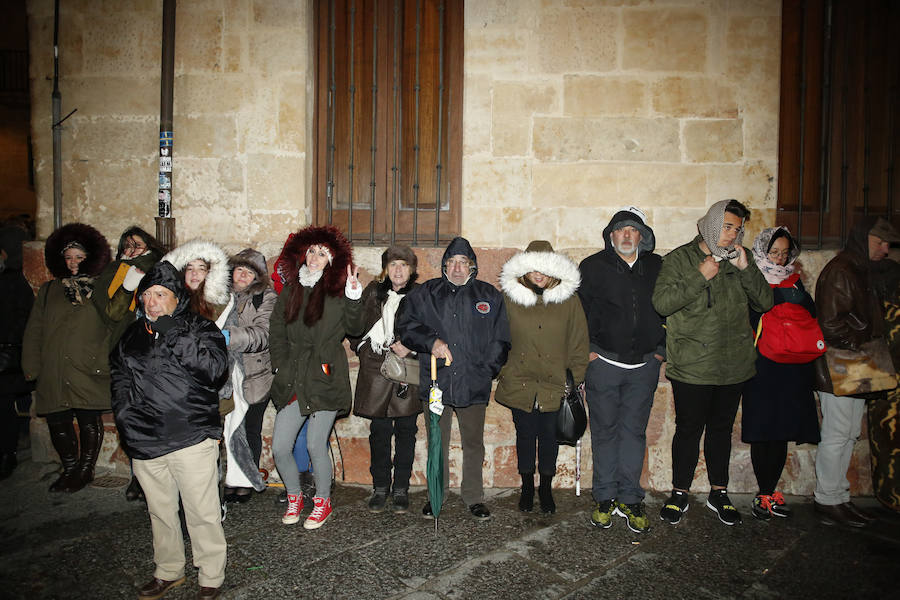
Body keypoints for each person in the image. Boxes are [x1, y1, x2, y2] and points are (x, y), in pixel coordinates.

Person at [110, 260, 228, 600]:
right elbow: (119, 377)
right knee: (160, 512)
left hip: (190, 436)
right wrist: (124, 418)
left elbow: (212, 371)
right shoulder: (131, 335)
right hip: (145, 440)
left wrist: (173, 330)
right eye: (146, 295)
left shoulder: (201, 329)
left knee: (201, 513)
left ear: (177, 297)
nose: (152, 303)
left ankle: (211, 576)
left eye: (160, 294)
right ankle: (168, 571)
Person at [652, 199, 773, 526]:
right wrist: (699, 276)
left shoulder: (739, 260)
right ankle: (680, 492)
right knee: (688, 430)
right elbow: (662, 303)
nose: (732, 234)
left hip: (733, 364)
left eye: (737, 228)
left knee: (721, 430)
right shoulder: (680, 259)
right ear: (711, 224)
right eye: (727, 226)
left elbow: (765, 301)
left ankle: (719, 492)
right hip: (693, 365)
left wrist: (748, 269)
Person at [397, 236, 511, 521]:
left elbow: (501, 338)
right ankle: (436, 494)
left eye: (464, 263)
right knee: (437, 440)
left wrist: (487, 369)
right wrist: (431, 341)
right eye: (452, 262)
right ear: (444, 265)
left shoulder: (489, 296)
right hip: (437, 380)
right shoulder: (426, 294)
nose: (458, 268)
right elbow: (406, 324)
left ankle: (473, 496)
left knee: (473, 442)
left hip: (474, 380)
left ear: (472, 266)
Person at [268, 225, 364, 529]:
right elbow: (277, 331)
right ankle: (294, 495)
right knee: (280, 446)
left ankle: (322, 500)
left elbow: (355, 325)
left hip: (324, 376)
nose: (314, 257)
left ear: (332, 260)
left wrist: (352, 294)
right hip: (294, 376)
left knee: (314, 444)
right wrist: (280, 365)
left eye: (322, 253)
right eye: (311, 251)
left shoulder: (337, 293)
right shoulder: (292, 290)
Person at [578, 208, 665, 533]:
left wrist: (660, 352)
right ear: (610, 236)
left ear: (642, 237)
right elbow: (580, 312)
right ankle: (604, 497)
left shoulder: (657, 267)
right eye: (620, 230)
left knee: (634, 432)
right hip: (604, 364)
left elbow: (673, 308)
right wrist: (587, 353)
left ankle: (630, 498)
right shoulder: (593, 267)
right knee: (604, 432)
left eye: (633, 230)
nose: (627, 235)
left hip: (644, 365)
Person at [813, 216, 900, 527]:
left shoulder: (858, 268)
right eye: (881, 242)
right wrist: (862, 340)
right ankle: (827, 498)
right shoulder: (843, 270)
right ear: (865, 239)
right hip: (841, 364)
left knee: (848, 433)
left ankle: (838, 496)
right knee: (837, 434)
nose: (886, 249)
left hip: (853, 364)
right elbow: (831, 323)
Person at [496, 240, 588, 515]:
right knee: (525, 436)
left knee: (549, 437)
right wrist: (503, 370)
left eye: (545, 269)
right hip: (519, 382)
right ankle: (526, 487)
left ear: (554, 270)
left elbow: (579, 342)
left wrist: (574, 377)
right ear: (525, 269)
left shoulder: (568, 301)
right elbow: (496, 339)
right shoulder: (510, 299)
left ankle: (545, 489)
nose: (539, 274)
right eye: (534, 268)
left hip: (554, 383)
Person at [22, 223, 113, 493]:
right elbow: (35, 329)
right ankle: (70, 468)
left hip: (88, 367)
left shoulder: (101, 289)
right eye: (69, 257)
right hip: (55, 367)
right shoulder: (50, 290)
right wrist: (32, 366)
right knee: (57, 419)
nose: (73, 263)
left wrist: (103, 360)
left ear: (90, 258)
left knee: (88, 419)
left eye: (79, 257)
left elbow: (112, 327)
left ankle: (85, 470)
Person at [742, 227, 820, 520]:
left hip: (792, 368)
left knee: (782, 431)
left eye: (785, 252)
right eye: (774, 252)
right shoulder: (751, 279)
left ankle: (771, 489)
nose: (779, 258)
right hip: (763, 367)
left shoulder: (795, 282)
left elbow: (811, 318)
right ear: (762, 251)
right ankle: (762, 493)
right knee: (764, 430)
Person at [92, 225, 165, 501]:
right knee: (132, 417)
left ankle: (156, 476)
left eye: (138, 245)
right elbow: (112, 313)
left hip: (155, 352)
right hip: (126, 352)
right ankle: (139, 476)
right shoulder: (115, 273)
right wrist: (127, 287)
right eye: (127, 245)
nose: (132, 250)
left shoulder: (161, 268)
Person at [349, 245, 421, 514]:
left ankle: (401, 488)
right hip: (376, 367)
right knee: (379, 432)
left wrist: (410, 346)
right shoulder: (372, 292)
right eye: (393, 265)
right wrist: (363, 348)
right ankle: (380, 487)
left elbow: (431, 327)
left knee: (406, 430)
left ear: (411, 269)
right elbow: (354, 323)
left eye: (403, 265)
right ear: (385, 269)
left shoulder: (420, 295)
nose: (398, 270)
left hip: (407, 367)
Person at [222, 248, 277, 503]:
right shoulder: (221, 297)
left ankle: (246, 481)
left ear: (257, 277)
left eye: (249, 272)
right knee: (229, 428)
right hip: (226, 375)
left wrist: (228, 336)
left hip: (255, 374)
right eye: (239, 270)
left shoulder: (264, 297)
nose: (242, 275)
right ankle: (231, 479)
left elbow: (263, 334)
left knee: (250, 429)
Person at [0, 221, 35, 479]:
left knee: (5, 406)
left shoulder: (15, 283)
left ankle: (7, 453)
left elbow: (22, 320)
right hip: (9, 354)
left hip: (8, 355)